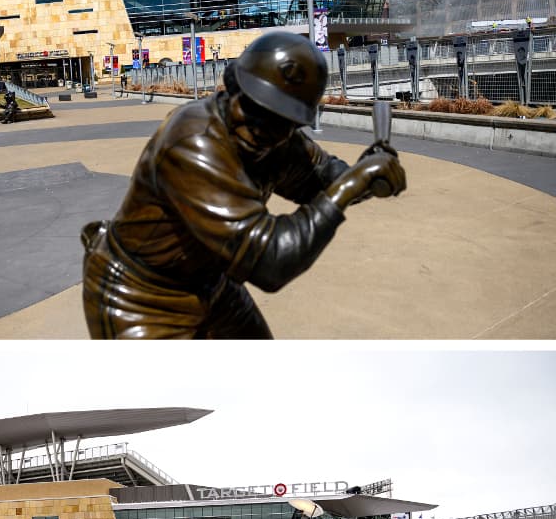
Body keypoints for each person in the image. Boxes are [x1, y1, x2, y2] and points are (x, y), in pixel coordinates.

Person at [81, 31, 406, 339]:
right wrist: (352, 186)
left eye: (279, 118)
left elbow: (322, 179)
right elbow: (271, 261)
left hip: (210, 281)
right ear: (233, 88)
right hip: (140, 295)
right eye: (253, 107)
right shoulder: (195, 142)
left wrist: (370, 172)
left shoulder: (279, 139)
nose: (260, 127)